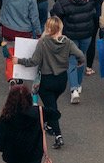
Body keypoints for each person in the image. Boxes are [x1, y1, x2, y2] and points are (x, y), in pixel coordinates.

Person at [16, 16, 84, 149]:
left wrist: (18, 61)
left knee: (52, 108)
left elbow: (33, 61)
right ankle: (48, 123)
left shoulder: (43, 43)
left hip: (46, 81)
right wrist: (80, 63)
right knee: (51, 104)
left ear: (48, 28)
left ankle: (58, 135)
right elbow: (80, 55)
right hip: (61, 80)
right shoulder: (68, 42)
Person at [51, 0, 101, 105]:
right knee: (81, 57)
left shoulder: (63, 0)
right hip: (86, 34)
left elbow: (54, 14)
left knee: (71, 61)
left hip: (70, 35)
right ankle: (78, 84)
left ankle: (74, 89)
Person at [0, 85, 44, 163]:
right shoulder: (36, 114)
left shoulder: (7, 115)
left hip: (12, 155)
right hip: (33, 156)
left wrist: (4, 149)